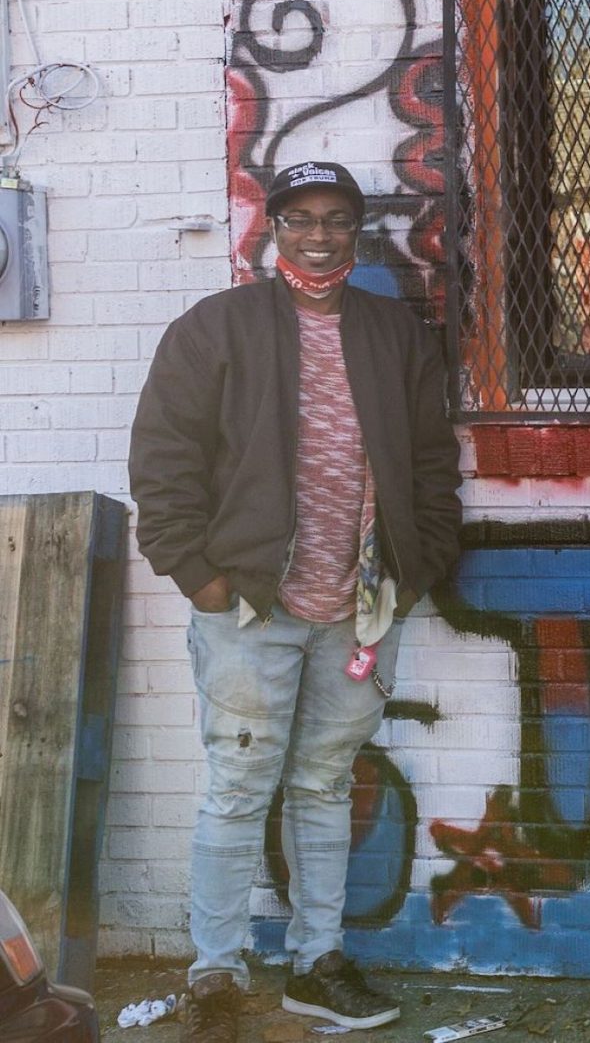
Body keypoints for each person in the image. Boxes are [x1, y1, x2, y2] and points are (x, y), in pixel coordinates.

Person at [129, 161, 462, 1043]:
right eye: (302, 218)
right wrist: (198, 576)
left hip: (359, 605)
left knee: (322, 784)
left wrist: (417, 564)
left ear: (356, 229)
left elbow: (432, 462)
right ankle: (216, 972)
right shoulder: (218, 328)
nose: (320, 235)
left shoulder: (394, 333)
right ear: (272, 228)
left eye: (338, 219)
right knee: (238, 786)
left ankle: (319, 961)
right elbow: (163, 463)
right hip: (248, 608)